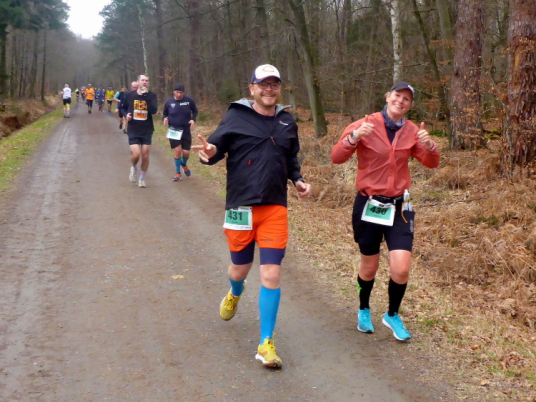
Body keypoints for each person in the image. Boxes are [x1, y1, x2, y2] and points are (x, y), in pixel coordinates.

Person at [192, 64, 311, 368]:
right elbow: (214, 149)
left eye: (274, 85)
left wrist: (297, 179)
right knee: (239, 270)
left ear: (279, 89)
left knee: (271, 274)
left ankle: (265, 343)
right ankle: (235, 292)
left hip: (274, 207)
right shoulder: (236, 116)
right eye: (263, 84)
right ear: (252, 88)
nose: (269, 89)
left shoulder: (287, 121)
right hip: (240, 207)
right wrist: (208, 153)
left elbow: (290, 157)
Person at [331, 81, 440, 341]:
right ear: (388, 96)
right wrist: (354, 137)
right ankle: (364, 309)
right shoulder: (364, 124)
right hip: (369, 204)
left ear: (410, 105)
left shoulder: (412, 131)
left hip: (399, 207)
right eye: (397, 95)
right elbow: (336, 157)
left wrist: (430, 146)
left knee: (401, 268)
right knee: (369, 266)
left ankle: (392, 314)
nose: (400, 101)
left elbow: (431, 163)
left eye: (406, 99)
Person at [121, 74, 158, 188]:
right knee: (136, 154)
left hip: (147, 129)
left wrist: (146, 96)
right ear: (138, 82)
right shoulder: (130, 95)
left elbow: (153, 111)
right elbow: (123, 108)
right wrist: (126, 115)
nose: (144, 82)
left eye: (147, 80)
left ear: (149, 83)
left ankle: (142, 178)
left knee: (145, 155)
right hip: (133, 129)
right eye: (142, 80)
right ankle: (133, 167)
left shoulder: (151, 95)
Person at [163, 83, 198, 181]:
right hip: (173, 129)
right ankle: (178, 173)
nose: (179, 94)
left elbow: (195, 111)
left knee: (186, 152)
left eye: (181, 92)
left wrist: (193, 120)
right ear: (174, 92)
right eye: (177, 92)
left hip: (185, 129)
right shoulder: (169, 102)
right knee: (178, 150)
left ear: (184, 93)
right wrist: (165, 118)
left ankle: (183, 164)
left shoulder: (188, 101)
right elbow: (165, 113)